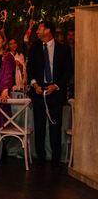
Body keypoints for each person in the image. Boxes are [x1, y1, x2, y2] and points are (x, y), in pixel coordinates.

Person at [27, 21, 73, 165]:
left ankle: (56, 158)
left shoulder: (64, 49)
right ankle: (40, 158)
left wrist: (57, 85)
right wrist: (35, 85)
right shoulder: (34, 48)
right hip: (39, 91)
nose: (37, 32)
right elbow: (30, 69)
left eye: (40, 29)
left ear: (48, 31)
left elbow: (68, 71)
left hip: (56, 92)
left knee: (55, 126)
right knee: (39, 125)